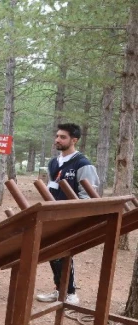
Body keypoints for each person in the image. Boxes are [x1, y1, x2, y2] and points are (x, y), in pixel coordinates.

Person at [35, 123, 100, 306]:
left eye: (63, 137)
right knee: (51, 251)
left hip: (70, 216)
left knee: (64, 252)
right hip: (52, 214)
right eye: (57, 136)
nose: (58, 140)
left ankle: (70, 293)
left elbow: (88, 194)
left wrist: (78, 216)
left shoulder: (83, 164)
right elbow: (51, 187)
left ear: (74, 140)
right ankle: (59, 289)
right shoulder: (53, 163)